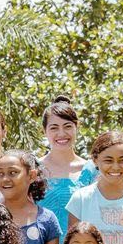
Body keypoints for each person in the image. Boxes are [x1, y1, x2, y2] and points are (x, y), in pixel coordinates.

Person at [38, 95, 97, 232]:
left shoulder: (92, 170)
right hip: (40, 243)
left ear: (77, 127)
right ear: (44, 131)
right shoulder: (33, 169)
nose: (61, 134)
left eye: (67, 126)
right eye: (54, 128)